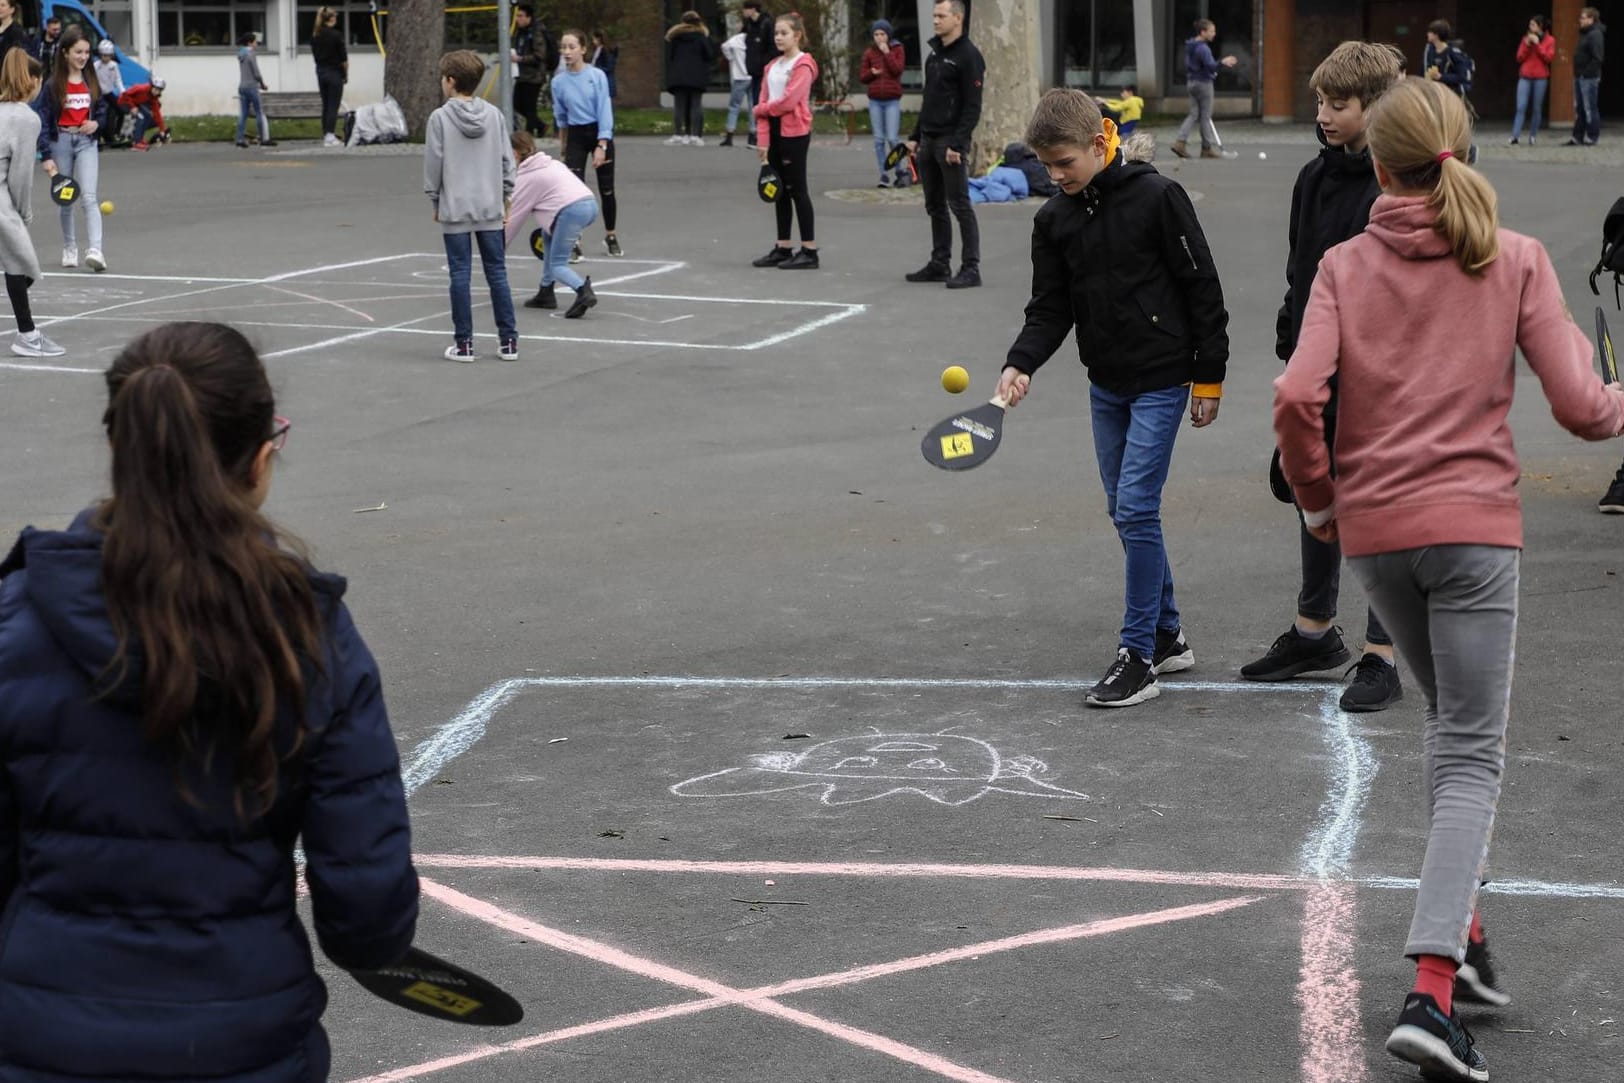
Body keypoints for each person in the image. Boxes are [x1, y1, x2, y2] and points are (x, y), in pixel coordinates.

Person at [1274, 76, 1624, 1083]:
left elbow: (1299, 395)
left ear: (1377, 167)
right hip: (1471, 534)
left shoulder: (1344, 264)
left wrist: (1322, 505)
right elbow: (1584, 413)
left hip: (1377, 539)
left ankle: (1461, 946)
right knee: (1470, 754)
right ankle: (1429, 994)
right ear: (1461, 153)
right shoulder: (1510, 258)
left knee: (1446, 733)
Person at [0, 321, 421, 1079]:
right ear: (261, 457)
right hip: (244, 1040)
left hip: (40, 1037)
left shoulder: (17, 619)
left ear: (121, 451)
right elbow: (366, 910)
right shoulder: (306, 630)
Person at [998, 88, 1230, 707]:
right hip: (1107, 382)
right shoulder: (1054, 220)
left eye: (1064, 163)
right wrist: (1020, 364)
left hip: (1163, 377)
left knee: (1134, 508)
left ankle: (1140, 655)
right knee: (1125, 509)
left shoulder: (1158, 198)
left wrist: (1210, 376)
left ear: (1101, 142)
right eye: (1045, 166)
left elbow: (1202, 286)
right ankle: (1169, 632)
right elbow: (1049, 309)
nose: (1054, 176)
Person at [1243, 42, 1404, 711]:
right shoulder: (1313, 179)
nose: (1325, 114)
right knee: (1316, 498)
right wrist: (1293, 346)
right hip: (1317, 367)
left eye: (1340, 104)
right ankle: (1315, 632)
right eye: (1320, 101)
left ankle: (1384, 653)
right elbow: (1299, 270)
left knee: (1379, 510)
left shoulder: (1400, 183)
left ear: (1378, 107)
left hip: (1382, 375)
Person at [424, 49, 518, 363]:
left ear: (450, 81)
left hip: (455, 206)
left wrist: (435, 199)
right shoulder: (494, 115)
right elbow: (508, 161)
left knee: (460, 275)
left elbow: (434, 165)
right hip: (490, 205)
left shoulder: (439, 118)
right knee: (497, 274)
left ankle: (464, 344)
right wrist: (505, 197)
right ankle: (508, 342)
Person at [903, 0, 985, 289]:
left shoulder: (969, 56)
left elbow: (972, 106)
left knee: (960, 204)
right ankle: (940, 263)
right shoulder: (935, 54)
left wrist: (959, 144)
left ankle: (971, 268)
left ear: (958, 18)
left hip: (951, 141)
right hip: (928, 139)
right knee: (934, 205)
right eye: (934, 15)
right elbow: (930, 99)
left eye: (941, 15)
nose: (935, 20)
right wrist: (914, 137)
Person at [0, 50, 58, 356]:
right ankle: (28, 336)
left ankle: (28, 332)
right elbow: (20, 176)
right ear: (33, 81)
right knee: (24, 266)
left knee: (16, 264)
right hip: (2, 201)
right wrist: (24, 214)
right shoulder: (26, 119)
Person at [34, 26, 106, 272]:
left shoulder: (92, 82)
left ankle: (96, 249)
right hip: (60, 142)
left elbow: (103, 113)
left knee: (89, 197)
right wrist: (45, 154)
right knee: (66, 199)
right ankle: (69, 247)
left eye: (86, 52)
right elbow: (42, 118)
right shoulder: (53, 84)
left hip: (87, 143)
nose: (83, 57)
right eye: (78, 52)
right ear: (65, 53)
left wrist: (96, 124)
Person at [750, 12, 819, 270]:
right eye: (776, 33)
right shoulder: (772, 67)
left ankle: (810, 250)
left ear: (797, 36)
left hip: (795, 133)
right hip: (775, 131)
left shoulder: (804, 65)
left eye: (784, 33)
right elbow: (765, 106)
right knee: (778, 189)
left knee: (797, 189)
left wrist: (761, 109)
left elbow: (789, 102)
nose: (778, 37)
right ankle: (783, 247)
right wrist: (763, 142)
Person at [507, 129, 598, 319]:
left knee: (558, 263)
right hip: (589, 203)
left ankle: (583, 291)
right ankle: (545, 292)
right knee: (547, 236)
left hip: (570, 211)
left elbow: (514, 218)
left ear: (515, 153)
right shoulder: (552, 163)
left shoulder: (527, 177)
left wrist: (497, 246)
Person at [551, 28, 621, 258]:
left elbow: (604, 109)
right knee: (573, 192)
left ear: (583, 49)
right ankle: (574, 241)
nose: (567, 52)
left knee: (606, 189)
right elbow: (561, 117)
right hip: (576, 135)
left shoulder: (596, 76)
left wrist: (602, 144)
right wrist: (563, 147)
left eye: (572, 47)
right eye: (563, 47)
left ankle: (610, 235)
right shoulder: (559, 82)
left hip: (598, 131)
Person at [1171, 18, 1240, 159]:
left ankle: (1180, 141)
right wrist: (1223, 62)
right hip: (1203, 83)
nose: (1214, 33)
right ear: (1203, 32)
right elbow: (1211, 66)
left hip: (1191, 82)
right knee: (1205, 116)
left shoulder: (1190, 46)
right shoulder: (1203, 48)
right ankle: (1206, 148)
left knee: (1194, 113)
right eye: (1211, 31)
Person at [860, 19, 908, 188]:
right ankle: (884, 174)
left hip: (892, 100)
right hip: (875, 100)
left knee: (893, 138)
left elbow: (897, 70)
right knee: (878, 139)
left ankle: (899, 171)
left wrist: (887, 53)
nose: (879, 38)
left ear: (888, 35)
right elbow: (862, 77)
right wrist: (871, 73)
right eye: (876, 34)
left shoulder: (897, 49)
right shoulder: (869, 53)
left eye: (882, 34)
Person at [664, 11, 714, 147]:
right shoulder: (702, 37)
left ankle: (678, 134)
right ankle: (695, 135)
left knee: (679, 105)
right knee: (695, 105)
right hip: (697, 74)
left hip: (679, 75)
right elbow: (709, 54)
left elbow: (671, 56)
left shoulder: (675, 37)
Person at [1507, 16, 1554, 145]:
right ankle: (1515, 135)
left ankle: (1533, 136)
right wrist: (1527, 45)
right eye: (1530, 25)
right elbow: (1519, 57)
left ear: (1540, 26)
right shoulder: (1525, 39)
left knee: (1536, 108)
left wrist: (1538, 45)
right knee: (1521, 106)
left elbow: (1548, 58)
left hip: (1540, 77)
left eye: (1533, 25)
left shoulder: (1550, 40)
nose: (1530, 27)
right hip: (1525, 76)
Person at [1566, 8, 1604, 147]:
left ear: (1591, 19)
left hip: (1588, 78)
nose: (1580, 20)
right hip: (1580, 77)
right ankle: (1577, 137)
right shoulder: (1585, 34)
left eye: (1583, 17)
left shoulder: (1595, 35)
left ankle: (1592, 137)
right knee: (1580, 108)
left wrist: (1585, 73)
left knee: (1589, 108)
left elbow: (1597, 58)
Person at [741, 0, 776, 147]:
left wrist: (765, 63)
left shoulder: (766, 24)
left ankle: (761, 134)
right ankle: (755, 133)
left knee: (761, 101)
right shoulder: (748, 24)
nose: (743, 12)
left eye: (745, 9)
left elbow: (772, 47)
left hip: (763, 69)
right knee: (754, 102)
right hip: (753, 69)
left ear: (753, 9)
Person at [311, 6, 348, 147]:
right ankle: (330, 136)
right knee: (334, 104)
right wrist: (345, 74)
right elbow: (343, 59)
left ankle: (325, 132)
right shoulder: (336, 35)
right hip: (334, 72)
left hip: (321, 71)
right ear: (331, 18)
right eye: (335, 16)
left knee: (326, 104)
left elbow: (315, 56)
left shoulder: (315, 35)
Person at [510, 4, 546, 138]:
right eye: (517, 16)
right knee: (516, 103)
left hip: (534, 76)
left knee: (530, 107)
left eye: (521, 16)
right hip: (522, 75)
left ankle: (529, 134)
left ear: (529, 18)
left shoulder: (536, 33)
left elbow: (540, 55)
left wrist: (520, 58)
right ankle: (540, 124)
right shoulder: (521, 33)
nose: (518, 19)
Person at [235, 32, 273, 148]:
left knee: (243, 114)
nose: (257, 43)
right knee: (259, 113)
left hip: (242, 86)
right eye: (255, 41)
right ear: (250, 43)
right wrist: (262, 84)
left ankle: (240, 139)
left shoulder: (241, 54)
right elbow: (256, 72)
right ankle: (263, 138)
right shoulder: (251, 54)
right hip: (252, 86)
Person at [719, 25, 751, 147]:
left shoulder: (737, 39)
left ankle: (730, 134)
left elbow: (724, 46)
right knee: (753, 106)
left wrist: (731, 58)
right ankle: (753, 135)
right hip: (753, 76)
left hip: (739, 76)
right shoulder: (755, 39)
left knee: (734, 106)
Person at [119, 76, 169, 150]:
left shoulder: (153, 98)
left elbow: (157, 114)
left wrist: (162, 130)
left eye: (159, 90)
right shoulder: (141, 88)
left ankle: (140, 139)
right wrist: (132, 106)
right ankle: (136, 143)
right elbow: (125, 94)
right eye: (155, 89)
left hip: (136, 105)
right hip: (124, 102)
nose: (156, 92)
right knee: (141, 117)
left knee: (148, 115)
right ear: (151, 86)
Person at [92, 38, 123, 148]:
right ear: (100, 54)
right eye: (103, 55)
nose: (105, 58)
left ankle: (116, 133)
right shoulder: (96, 65)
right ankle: (98, 137)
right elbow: (93, 80)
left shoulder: (113, 65)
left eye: (108, 55)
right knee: (100, 115)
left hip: (109, 92)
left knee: (121, 111)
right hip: (99, 94)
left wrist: (122, 92)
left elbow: (117, 79)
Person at [590, 29, 618, 100]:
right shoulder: (597, 50)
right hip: (598, 82)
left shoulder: (606, 51)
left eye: (594, 39)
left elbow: (609, 68)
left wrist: (595, 68)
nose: (593, 41)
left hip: (606, 82)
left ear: (599, 39)